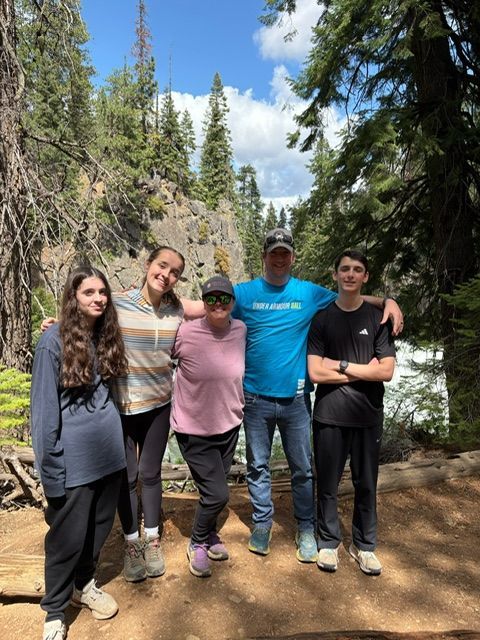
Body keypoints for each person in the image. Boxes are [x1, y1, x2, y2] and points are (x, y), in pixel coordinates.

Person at [231, 228, 403, 561]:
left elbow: (349, 297)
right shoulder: (245, 293)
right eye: (273, 253)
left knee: (303, 468)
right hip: (254, 398)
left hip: (296, 399)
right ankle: (262, 524)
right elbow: (213, 309)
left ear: (293, 258)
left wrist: (388, 301)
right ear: (264, 257)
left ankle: (307, 528)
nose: (279, 259)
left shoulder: (308, 293)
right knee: (258, 466)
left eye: (285, 253)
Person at [41, 246, 203, 584]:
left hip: (160, 403)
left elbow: (216, 306)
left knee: (151, 472)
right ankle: (132, 543)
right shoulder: (121, 302)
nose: (166, 275)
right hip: (122, 405)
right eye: (161, 266)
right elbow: (89, 315)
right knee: (127, 477)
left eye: (174, 272)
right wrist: (58, 324)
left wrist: (252, 303)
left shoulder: (176, 308)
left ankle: (152, 538)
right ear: (148, 265)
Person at [31, 266, 128, 640]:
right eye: (89, 292)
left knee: (99, 529)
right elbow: (43, 416)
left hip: (109, 457)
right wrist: (51, 473)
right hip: (74, 464)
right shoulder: (51, 343)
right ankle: (54, 611)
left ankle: (83, 585)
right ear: (73, 296)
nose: (98, 299)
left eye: (102, 292)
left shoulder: (104, 334)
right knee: (66, 539)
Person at [307, 250, 396, 575]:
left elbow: (386, 372)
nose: (350, 274)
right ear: (335, 275)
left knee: (367, 483)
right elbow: (316, 373)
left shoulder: (377, 320)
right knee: (327, 483)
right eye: (344, 269)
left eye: (357, 270)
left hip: (367, 415)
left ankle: (365, 546)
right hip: (329, 414)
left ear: (365, 277)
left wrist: (342, 365)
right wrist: (363, 370)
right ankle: (328, 543)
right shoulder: (322, 318)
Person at [170, 276, 246, 578]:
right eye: (211, 298)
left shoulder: (240, 330)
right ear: (203, 302)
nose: (218, 304)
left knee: (209, 488)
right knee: (218, 494)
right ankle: (198, 542)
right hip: (193, 428)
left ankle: (211, 533)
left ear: (232, 303)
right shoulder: (185, 333)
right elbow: (151, 350)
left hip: (229, 423)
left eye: (224, 299)